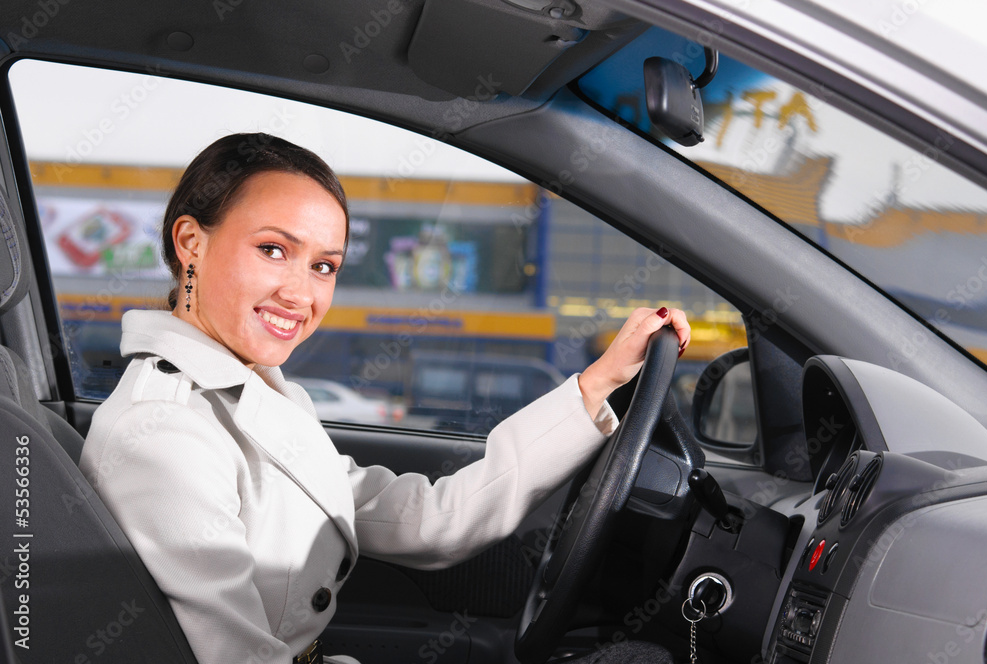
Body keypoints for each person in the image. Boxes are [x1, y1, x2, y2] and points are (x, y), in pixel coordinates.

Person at [79, 133, 691, 664]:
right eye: (273, 250)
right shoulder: (165, 430)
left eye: (325, 266)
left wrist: (598, 382)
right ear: (191, 242)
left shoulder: (251, 397)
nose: (301, 293)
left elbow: (431, 521)